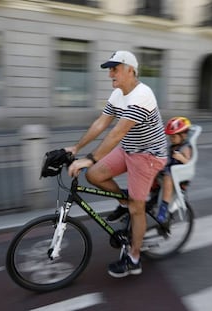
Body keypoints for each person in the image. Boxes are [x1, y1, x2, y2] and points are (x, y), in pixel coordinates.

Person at [66, 50, 167, 278]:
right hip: (129, 149)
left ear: (131, 70)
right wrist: (76, 148)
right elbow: (101, 123)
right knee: (94, 175)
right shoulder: (119, 93)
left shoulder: (142, 94)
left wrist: (89, 158)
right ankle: (123, 200)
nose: (110, 73)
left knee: (136, 208)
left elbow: (117, 133)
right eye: (109, 69)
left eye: (115, 68)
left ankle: (134, 258)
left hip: (148, 155)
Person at [156, 117, 192, 223]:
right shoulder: (174, 146)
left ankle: (164, 207)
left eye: (174, 136)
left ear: (183, 135)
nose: (171, 138)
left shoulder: (185, 148)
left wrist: (182, 158)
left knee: (167, 177)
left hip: (179, 177)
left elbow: (189, 164)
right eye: (170, 136)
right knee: (152, 171)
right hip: (170, 171)